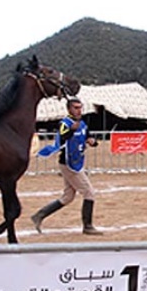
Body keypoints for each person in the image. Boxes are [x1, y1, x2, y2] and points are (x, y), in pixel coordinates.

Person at [31, 97, 103, 235]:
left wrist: (93, 142)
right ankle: (87, 226)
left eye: (80, 107)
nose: (79, 110)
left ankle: (39, 215)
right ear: (69, 109)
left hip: (77, 161)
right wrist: (71, 130)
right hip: (69, 164)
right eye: (75, 108)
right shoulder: (65, 123)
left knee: (68, 197)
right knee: (89, 193)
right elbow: (62, 137)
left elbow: (88, 138)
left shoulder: (82, 123)